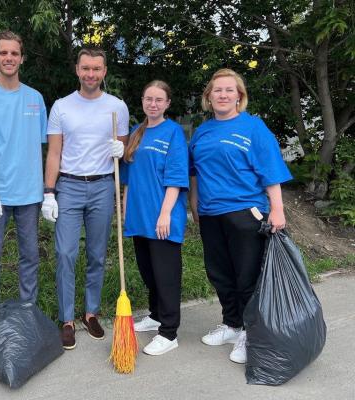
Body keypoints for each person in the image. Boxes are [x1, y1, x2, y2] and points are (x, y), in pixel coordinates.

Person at [188, 68, 292, 364]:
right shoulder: (202, 131)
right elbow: (195, 172)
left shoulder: (253, 128)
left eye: (229, 90)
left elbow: (270, 170)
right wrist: (194, 205)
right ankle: (232, 324)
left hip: (245, 211)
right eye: (217, 90)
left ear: (239, 96)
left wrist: (277, 208)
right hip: (210, 214)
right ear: (208, 96)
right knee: (219, 273)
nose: (222, 95)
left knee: (246, 276)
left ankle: (251, 331)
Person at [42, 47, 129, 350]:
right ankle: (67, 319)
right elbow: (54, 152)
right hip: (69, 185)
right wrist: (49, 192)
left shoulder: (117, 107)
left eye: (97, 69)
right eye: (85, 68)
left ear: (104, 71)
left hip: (104, 185)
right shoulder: (62, 106)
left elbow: (124, 149)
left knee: (97, 253)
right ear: (77, 70)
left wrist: (121, 150)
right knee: (65, 253)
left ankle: (91, 312)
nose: (91, 74)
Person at [0, 31, 47, 308]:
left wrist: (47, 190)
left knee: (30, 255)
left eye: (14, 53)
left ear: (22, 58)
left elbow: (40, 145)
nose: (9, 58)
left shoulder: (35, 98)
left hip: (30, 192)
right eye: (3, 53)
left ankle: (28, 308)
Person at [120, 80, 188, 356]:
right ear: (143, 101)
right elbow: (128, 180)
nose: (153, 104)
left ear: (168, 103)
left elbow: (176, 177)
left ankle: (169, 332)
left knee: (166, 275)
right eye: (149, 99)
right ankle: (156, 314)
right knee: (148, 271)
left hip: (162, 217)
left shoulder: (173, 133)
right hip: (139, 215)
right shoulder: (137, 132)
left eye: (159, 99)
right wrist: (125, 210)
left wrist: (165, 214)